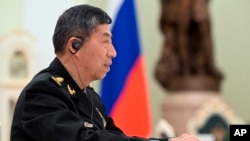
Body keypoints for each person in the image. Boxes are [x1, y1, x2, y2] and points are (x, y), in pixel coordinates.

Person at [10, 4, 199, 141]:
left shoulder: (90, 97)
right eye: (105, 41)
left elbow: (116, 138)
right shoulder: (42, 93)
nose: (113, 52)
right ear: (74, 45)